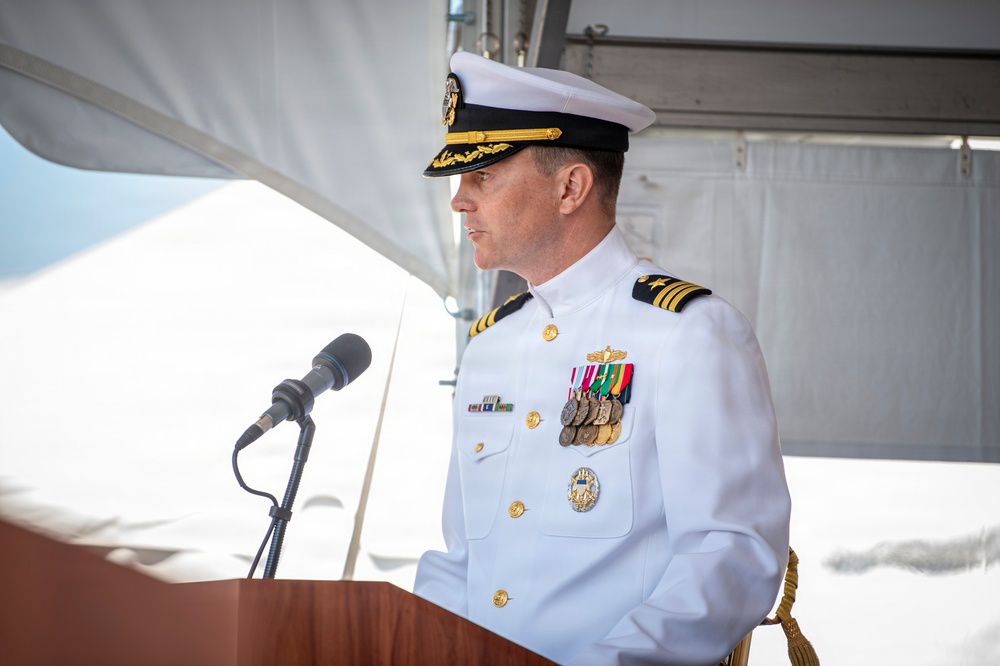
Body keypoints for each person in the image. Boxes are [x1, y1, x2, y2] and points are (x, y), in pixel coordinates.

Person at [414, 51, 791, 665]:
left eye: (482, 176)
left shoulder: (688, 333)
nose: (460, 201)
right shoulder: (489, 347)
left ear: (571, 187)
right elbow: (462, 561)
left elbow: (731, 553)